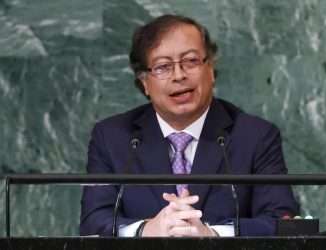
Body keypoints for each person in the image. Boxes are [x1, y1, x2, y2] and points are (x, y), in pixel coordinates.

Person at [80, 14, 299, 237]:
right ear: (144, 81)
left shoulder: (255, 136)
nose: (179, 75)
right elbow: (94, 222)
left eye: (191, 61)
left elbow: (282, 221)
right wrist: (147, 229)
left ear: (211, 68)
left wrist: (212, 234)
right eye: (163, 67)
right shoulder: (112, 137)